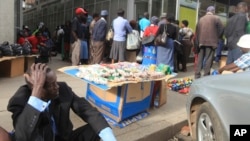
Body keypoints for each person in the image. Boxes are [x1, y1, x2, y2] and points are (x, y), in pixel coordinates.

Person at [3, 63, 117, 141]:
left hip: (63, 138)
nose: (57, 86)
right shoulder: (19, 100)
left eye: (56, 81)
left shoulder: (63, 89)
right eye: (51, 85)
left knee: (97, 128)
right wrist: (37, 90)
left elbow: (87, 111)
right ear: (37, 87)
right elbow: (22, 136)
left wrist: (109, 137)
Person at [194, 6, 224, 79]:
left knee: (200, 59)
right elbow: (222, 29)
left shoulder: (201, 19)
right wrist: (217, 37)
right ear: (213, 11)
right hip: (211, 43)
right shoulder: (216, 18)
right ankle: (206, 75)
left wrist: (197, 42)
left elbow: (197, 31)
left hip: (201, 42)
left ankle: (197, 75)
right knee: (208, 59)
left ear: (207, 11)